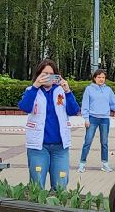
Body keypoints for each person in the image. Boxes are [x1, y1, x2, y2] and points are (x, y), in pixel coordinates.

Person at [18, 59, 80, 190]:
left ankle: (57, 209)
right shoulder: (31, 90)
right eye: (44, 73)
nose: (47, 77)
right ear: (39, 74)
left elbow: (74, 110)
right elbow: (25, 107)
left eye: (51, 74)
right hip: (38, 147)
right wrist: (35, 86)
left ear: (56, 76)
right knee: (37, 184)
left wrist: (68, 92)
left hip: (60, 147)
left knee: (60, 185)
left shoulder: (61, 91)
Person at [78, 68, 115, 173]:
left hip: (104, 119)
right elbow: (85, 105)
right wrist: (86, 118)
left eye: (103, 77)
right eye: (99, 77)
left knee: (104, 142)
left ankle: (105, 164)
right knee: (87, 142)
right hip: (92, 119)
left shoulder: (108, 90)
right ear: (94, 78)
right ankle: (82, 164)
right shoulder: (89, 89)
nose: (101, 79)